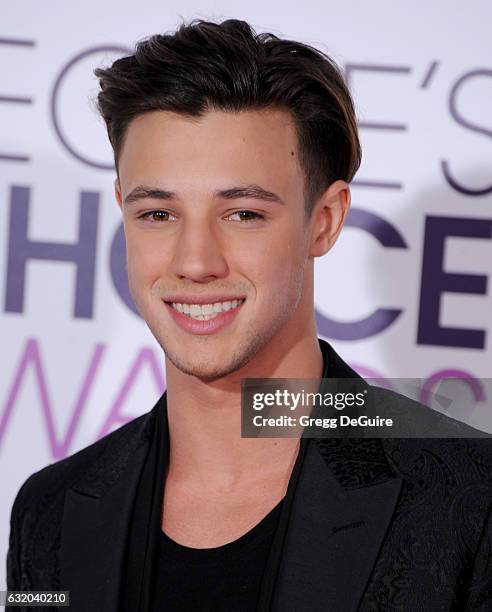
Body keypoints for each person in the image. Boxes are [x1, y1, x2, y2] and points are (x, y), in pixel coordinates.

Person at [6, 18, 492, 612]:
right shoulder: (48, 513)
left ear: (326, 219)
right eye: (158, 213)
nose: (196, 262)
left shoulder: (470, 496)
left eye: (243, 214)